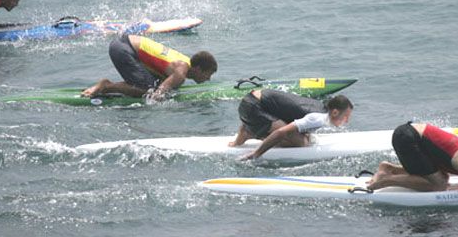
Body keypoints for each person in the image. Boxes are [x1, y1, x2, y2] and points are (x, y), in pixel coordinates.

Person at [367, 122, 458, 207]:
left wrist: (456, 187)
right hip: (408, 138)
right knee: (439, 184)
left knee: (441, 176)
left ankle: (389, 168)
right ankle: (386, 181)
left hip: (409, 135)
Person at [82, 34, 217, 101]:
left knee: (152, 84)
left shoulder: (185, 63)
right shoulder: (181, 72)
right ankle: (106, 86)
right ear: (199, 69)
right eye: (208, 74)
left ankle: (112, 86)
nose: (208, 79)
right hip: (123, 49)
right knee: (147, 90)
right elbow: (157, 95)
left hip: (123, 44)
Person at [229, 89, 353, 160]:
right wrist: (256, 154)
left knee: (303, 135)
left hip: (251, 102)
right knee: (300, 142)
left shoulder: (320, 106)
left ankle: (249, 129)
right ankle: (249, 132)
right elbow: (280, 132)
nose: (347, 121)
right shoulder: (319, 118)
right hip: (253, 108)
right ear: (335, 112)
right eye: (346, 117)